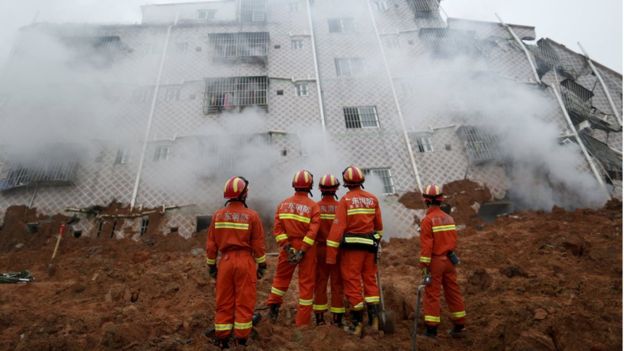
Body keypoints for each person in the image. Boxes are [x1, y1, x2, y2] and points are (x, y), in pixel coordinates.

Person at [206, 176, 267, 348]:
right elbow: (258, 244)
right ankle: (241, 340)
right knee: (244, 301)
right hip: (245, 262)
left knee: (223, 301)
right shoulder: (252, 216)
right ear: (243, 195)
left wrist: (211, 266)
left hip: (225, 262)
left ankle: (223, 339)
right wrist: (262, 265)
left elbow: (211, 245)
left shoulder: (217, 216)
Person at [326, 166, 383, 337]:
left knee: (352, 283)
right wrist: (376, 244)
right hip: (369, 249)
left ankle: (357, 323)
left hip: (352, 250)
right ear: (361, 181)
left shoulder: (345, 201)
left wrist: (331, 256)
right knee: (370, 281)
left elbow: (337, 229)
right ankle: (375, 321)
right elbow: (379, 228)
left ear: (346, 183)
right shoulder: (373, 199)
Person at [266, 170, 321, 327]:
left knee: (281, 279)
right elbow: (313, 231)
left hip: (287, 247)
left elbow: (277, 229)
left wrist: (288, 248)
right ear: (310, 186)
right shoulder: (313, 206)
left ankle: (273, 311)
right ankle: (302, 323)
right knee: (306, 283)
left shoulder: (283, 204)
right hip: (307, 249)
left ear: (294, 185)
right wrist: (302, 250)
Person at [419, 184, 466, 338]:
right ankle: (460, 325)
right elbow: (453, 240)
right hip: (450, 261)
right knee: (453, 292)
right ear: (441, 200)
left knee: (432, 294)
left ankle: (431, 330)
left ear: (426, 200)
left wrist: (424, 266)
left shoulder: (427, 220)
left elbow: (427, 247)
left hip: (436, 262)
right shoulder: (449, 218)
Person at [313, 174, 345, 326]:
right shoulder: (341, 207)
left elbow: (312, 231)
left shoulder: (315, 207)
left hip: (320, 250)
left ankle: (319, 318)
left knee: (320, 282)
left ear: (320, 189)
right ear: (336, 189)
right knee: (337, 283)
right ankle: (337, 319)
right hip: (338, 251)